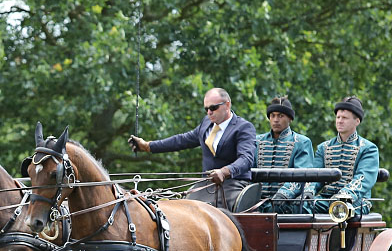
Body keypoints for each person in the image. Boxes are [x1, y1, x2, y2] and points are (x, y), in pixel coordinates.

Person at [128, 87, 256, 210]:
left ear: (227, 105)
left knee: (208, 211)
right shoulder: (206, 123)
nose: (209, 112)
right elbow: (181, 140)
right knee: (183, 208)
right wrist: (147, 146)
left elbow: (246, 159)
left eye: (213, 108)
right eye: (206, 109)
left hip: (234, 184)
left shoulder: (243, 127)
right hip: (207, 184)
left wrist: (224, 172)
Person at [301, 95, 379, 216]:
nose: (340, 121)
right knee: (301, 206)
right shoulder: (324, 147)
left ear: (357, 121)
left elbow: (363, 179)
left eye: (345, 118)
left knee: (341, 209)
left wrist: (343, 196)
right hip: (326, 200)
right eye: (338, 117)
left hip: (356, 202)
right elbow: (315, 176)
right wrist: (309, 191)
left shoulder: (368, 149)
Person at [255, 96, 314, 212]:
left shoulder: (301, 142)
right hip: (257, 203)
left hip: (287, 204)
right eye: (273, 116)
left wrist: (283, 195)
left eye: (280, 116)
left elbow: (301, 175)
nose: (276, 120)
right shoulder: (257, 141)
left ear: (290, 118)